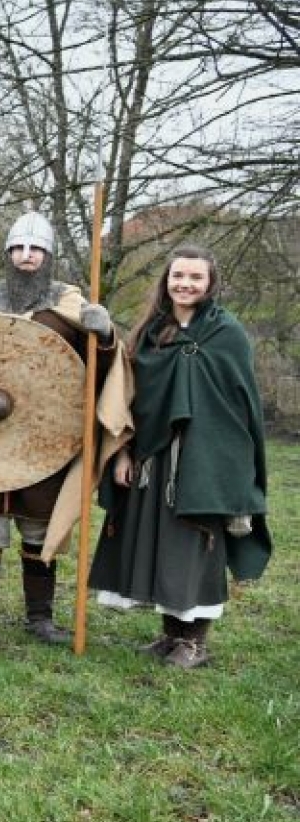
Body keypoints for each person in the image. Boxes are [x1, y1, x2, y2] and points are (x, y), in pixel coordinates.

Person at [0, 210, 130, 644]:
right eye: (19, 248)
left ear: (48, 255)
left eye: (36, 248)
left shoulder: (70, 304)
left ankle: (40, 618)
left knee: (39, 526)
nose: (27, 256)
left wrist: (103, 338)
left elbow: (98, 375)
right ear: (8, 254)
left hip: (46, 435)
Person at [89, 244, 271, 668]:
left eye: (195, 277)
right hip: (154, 457)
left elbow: (240, 403)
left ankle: (196, 642)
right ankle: (171, 634)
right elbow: (131, 399)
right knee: (160, 542)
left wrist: (228, 464)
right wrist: (123, 454)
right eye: (178, 276)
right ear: (166, 280)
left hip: (207, 460)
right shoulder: (151, 333)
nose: (185, 284)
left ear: (210, 283)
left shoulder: (227, 333)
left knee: (195, 544)